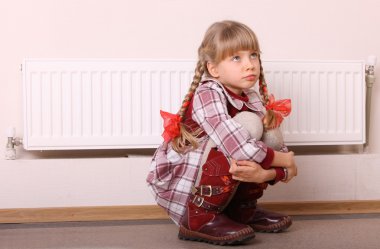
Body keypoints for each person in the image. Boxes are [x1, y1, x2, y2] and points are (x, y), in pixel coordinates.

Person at [146, 20, 298, 245]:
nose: (249, 65)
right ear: (213, 68)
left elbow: (276, 149)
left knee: (268, 133)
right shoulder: (208, 92)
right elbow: (236, 145)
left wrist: (269, 173)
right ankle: (200, 216)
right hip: (186, 183)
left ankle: (240, 210)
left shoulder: (252, 98)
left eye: (253, 55)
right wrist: (286, 161)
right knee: (246, 127)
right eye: (236, 58)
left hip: (231, 168)